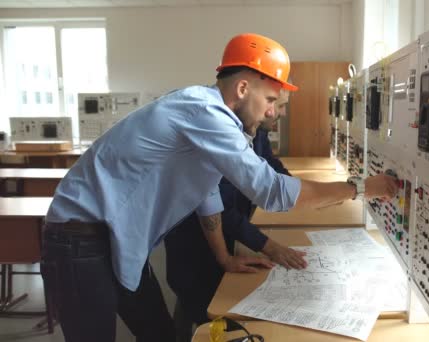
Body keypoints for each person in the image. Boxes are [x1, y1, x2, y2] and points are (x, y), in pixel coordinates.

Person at [40, 33, 398, 342]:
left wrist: (224, 257)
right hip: (79, 238)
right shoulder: (207, 114)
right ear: (243, 88)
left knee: (159, 334)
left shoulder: (208, 115)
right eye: (271, 100)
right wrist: (360, 188)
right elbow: (270, 191)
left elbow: (206, 194)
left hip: (117, 239)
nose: (273, 112)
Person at [164, 88, 301, 341]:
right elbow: (221, 208)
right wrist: (267, 245)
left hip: (219, 242)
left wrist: (297, 195)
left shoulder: (253, 129)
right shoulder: (221, 132)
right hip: (194, 249)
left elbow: (269, 165)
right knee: (205, 313)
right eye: (275, 103)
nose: (279, 112)